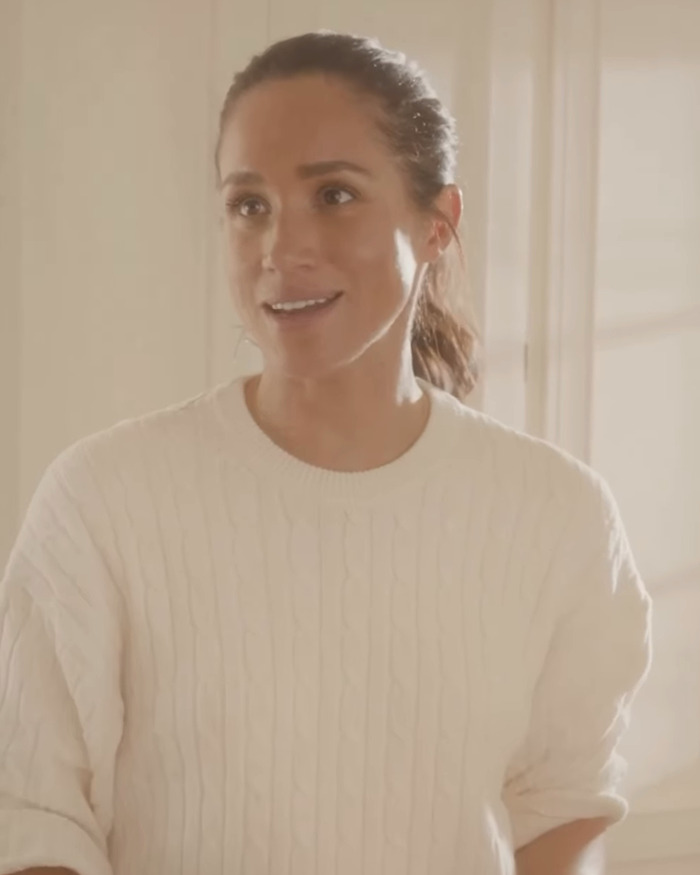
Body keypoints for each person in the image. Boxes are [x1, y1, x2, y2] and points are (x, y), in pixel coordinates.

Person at [0, 30, 652, 875]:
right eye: (249, 204)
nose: (281, 247)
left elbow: (562, 812)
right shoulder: (102, 500)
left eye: (334, 195)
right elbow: (36, 814)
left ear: (437, 224)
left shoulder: (559, 514)